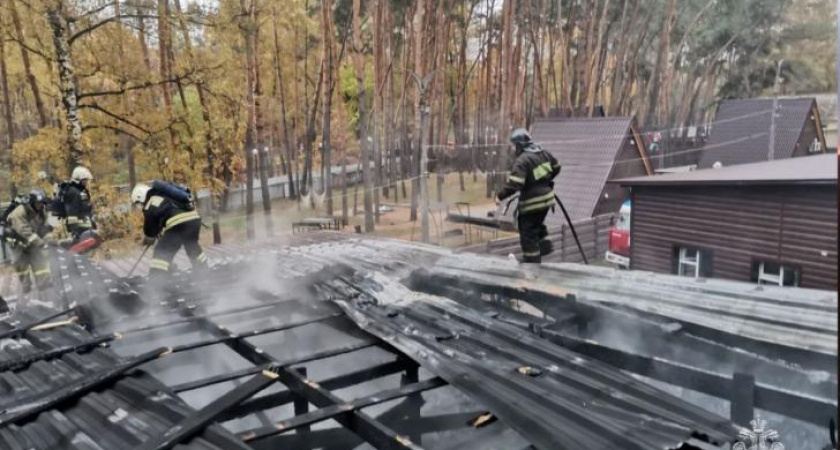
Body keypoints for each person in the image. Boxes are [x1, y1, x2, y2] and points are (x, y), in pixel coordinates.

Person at [496, 128, 561, 263]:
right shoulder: (543, 153)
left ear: (520, 145)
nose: (513, 149)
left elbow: (514, 184)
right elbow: (557, 166)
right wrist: (545, 181)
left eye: (514, 146)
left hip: (533, 203)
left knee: (527, 231)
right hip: (547, 201)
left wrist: (500, 197)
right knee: (537, 223)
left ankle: (531, 262)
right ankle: (545, 245)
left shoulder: (522, 161)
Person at [130, 182, 208, 283]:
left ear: (140, 197)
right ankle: (203, 271)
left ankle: (156, 281)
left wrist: (149, 238)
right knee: (192, 246)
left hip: (178, 224)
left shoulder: (150, 202)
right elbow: (166, 214)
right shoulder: (163, 196)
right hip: (194, 220)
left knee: (162, 251)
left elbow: (150, 228)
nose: (140, 206)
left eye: (138, 203)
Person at [5, 189, 54, 297]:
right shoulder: (19, 212)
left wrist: (49, 240)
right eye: (38, 203)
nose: (40, 205)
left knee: (41, 265)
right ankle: (27, 294)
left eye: (42, 203)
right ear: (31, 202)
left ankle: (46, 291)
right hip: (17, 244)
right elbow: (25, 232)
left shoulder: (42, 212)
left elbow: (43, 228)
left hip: (32, 242)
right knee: (23, 269)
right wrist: (41, 243)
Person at [63, 166, 95, 240]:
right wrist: (77, 228)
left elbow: (84, 205)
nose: (86, 182)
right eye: (85, 180)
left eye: (87, 180)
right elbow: (72, 212)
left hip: (83, 220)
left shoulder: (80, 190)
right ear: (78, 179)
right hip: (77, 224)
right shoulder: (73, 192)